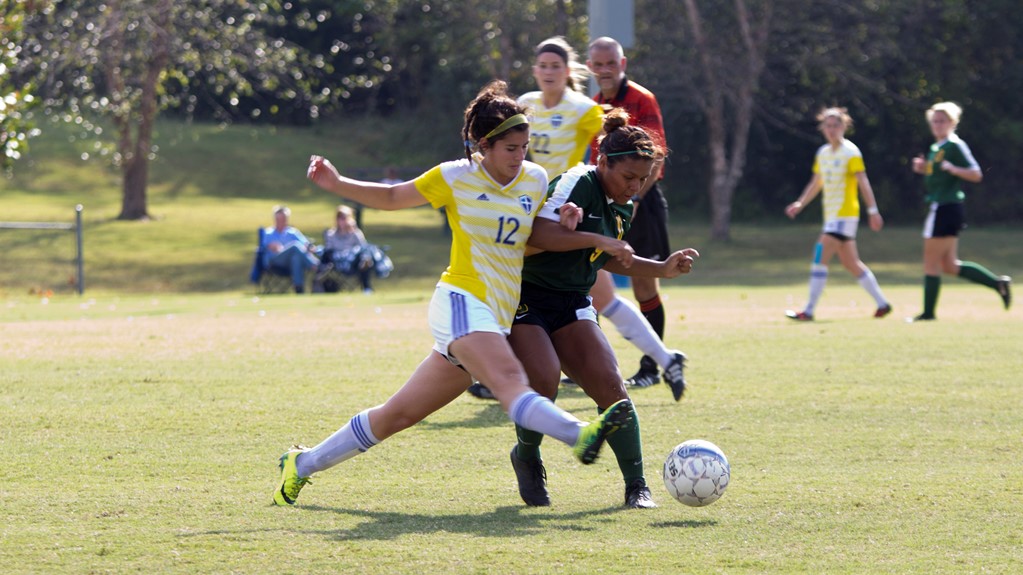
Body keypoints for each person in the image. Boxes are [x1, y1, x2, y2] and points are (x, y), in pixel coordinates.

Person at [272, 81, 636, 506]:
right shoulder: (455, 177)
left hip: (494, 318)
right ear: (484, 146)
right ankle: (581, 434)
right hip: (462, 301)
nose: (520, 158)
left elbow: (534, 229)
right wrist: (337, 184)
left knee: (398, 415)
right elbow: (392, 196)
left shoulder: (535, 179)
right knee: (510, 381)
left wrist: (567, 218)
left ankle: (301, 464)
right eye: (510, 149)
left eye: (525, 147)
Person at [508, 109, 699, 510]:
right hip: (527, 295)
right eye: (628, 177)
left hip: (574, 301)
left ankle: (636, 486)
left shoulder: (623, 206)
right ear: (603, 161)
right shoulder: (577, 182)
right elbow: (536, 234)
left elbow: (604, 257)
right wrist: (597, 238)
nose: (635, 186)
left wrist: (662, 268)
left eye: (643, 180)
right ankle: (526, 455)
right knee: (543, 379)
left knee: (611, 388)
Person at [586, 36, 682, 389]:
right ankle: (582, 364)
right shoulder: (592, 104)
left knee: (644, 282)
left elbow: (654, 157)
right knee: (587, 279)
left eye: (611, 63)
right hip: (607, 204)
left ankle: (650, 367)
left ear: (622, 64)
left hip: (642, 202)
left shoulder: (642, 99)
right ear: (590, 68)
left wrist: (633, 201)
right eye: (598, 64)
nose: (605, 69)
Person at [783, 107, 892, 321]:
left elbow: (863, 182)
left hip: (845, 216)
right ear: (823, 128)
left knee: (819, 254)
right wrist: (800, 203)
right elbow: (817, 182)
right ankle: (882, 304)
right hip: (832, 217)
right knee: (851, 263)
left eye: (836, 125)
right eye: (828, 126)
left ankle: (809, 310)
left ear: (844, 126)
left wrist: (873, 211)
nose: (832, 130)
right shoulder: (823, 153)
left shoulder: (851, 152)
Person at [908, 101, 1011, 321]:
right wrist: (924, 168)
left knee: (931, 263)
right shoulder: (937, 147)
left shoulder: (955, 145)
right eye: (934, 121)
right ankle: (997, 283)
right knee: (949, 265)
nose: (937, 124)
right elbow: (937, 173)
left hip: (946, 208)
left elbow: (976, 174)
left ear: (952, 123)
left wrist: (954, 169)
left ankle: (928, 313)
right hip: (943, 207)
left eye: (942, 120)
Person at [319, 204, 391, 294]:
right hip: (340, 262)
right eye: (340, 218)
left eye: (345, 218)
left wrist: (353, 231)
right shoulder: (331, 234)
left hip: (355, 262)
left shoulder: (355, 233)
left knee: (365, 255)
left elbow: (363, 246)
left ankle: (366, 286)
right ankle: (370, 277)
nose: (343, 221)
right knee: (363, 255)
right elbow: (328, 251)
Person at [261, 205, 320, 293]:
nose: (281, 221)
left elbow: (306, 244)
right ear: (275, 219)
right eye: (279, 219)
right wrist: (277, 248)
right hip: (275, 260)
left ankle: (299, 289)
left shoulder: (293, 232)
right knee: (295, 246)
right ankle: (317, 266)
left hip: (290, 262)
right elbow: (270, 247)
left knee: (295, 258)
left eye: (283, 219)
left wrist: (310, 248)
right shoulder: (268, 232)